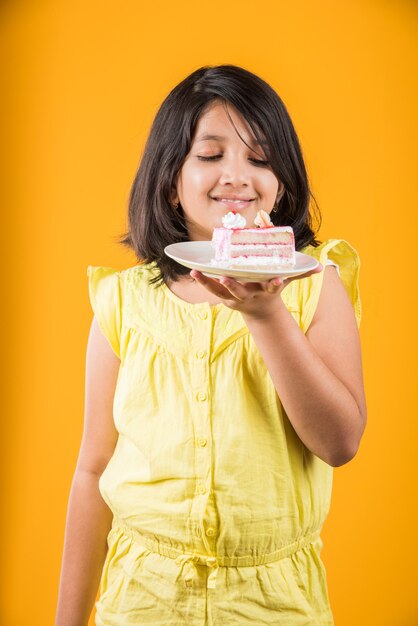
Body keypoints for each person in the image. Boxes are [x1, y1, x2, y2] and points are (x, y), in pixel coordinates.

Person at [55, 64, 367, 626]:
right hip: (141, 599)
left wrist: (267, 313)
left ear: (285, 182)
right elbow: (92, 470)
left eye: (260, 157)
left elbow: (340, 442)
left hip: (273, 605)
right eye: (210, 154)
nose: (237, 175)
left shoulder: (315, 287)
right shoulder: (123, 303)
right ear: (170, 180)